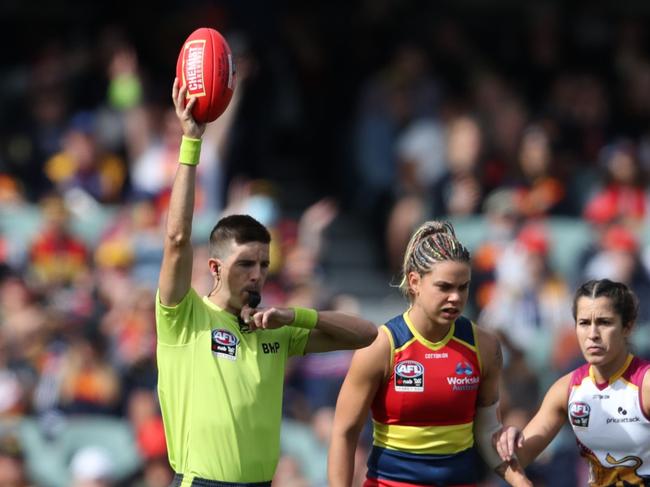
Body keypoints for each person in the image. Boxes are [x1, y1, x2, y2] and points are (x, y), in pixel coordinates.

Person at [155, 78, 378, 486]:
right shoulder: (184, 317)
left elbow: (367, 335)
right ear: (216, 267)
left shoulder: (274, 329)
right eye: (245, 263)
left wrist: (295, 315)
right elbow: (176, 240)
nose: (257, 273)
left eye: (263, 263)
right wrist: (191, 143)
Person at [328, 220, 530, 487]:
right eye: (444, 287)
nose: (456, 298)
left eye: (463, 287)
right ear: (415, 282)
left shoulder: (485, 346)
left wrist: (521, 482)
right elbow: (345, 432)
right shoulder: (383, 346)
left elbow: (488, 430)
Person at [494, 278, 650, 486]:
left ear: (627, 327)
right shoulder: (566, 389)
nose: (593, 334)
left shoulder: (645, 385)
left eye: (604, 322)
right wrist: (509, 443)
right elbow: (511, 461)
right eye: (584, 323)